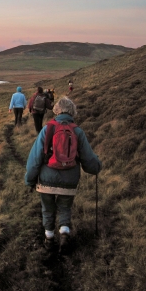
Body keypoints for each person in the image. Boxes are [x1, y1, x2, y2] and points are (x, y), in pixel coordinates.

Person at [24, 97, 102, 252]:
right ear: (72, 111)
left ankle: (49, 239)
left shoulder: (48, 129)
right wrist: (97, 167)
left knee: (47, 209)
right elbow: (88, 159)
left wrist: (29, 179)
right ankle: (64, 235)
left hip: (46, 179)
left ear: (57, 110)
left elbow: (35, 158)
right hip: (69, 180)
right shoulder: (77, 131)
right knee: (65, 208)